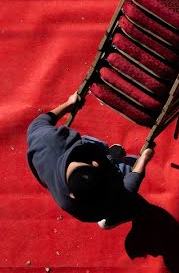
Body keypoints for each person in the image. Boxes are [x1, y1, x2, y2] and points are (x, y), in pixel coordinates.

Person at [26, 92, 155, 229]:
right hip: (108, 196)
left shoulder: (46, 142)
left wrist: (69, 104)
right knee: (132, 199)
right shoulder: (92, 208)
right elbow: (128, 189)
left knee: (110, 155)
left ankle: (111, 159)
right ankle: (115, 217)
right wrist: (144, 159)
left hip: (55, 164)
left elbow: (40, 122)